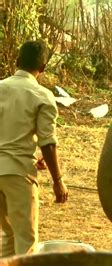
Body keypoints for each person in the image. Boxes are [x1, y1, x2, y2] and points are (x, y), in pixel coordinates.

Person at [0, 40, 68, 257]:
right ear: (43, 68)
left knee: (10, 237)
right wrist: (58, 181)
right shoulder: (42, 95)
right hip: (18, 175)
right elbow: (47, 142)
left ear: (17, 61)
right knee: (26, 242)